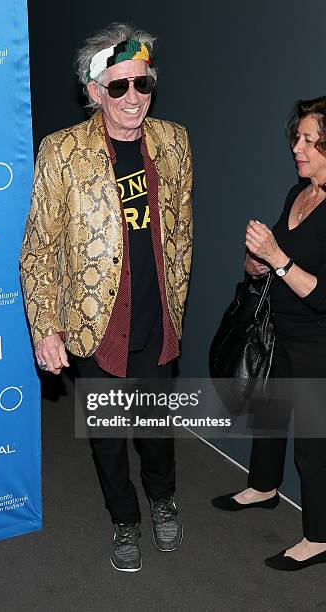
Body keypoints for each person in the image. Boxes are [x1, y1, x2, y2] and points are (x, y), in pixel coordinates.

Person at [20, 23, 193, 572]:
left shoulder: (174, 141)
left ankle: (163, 499)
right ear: (94, 91)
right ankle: (125, 521)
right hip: (97, 325)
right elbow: (39, 247)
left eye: (141, 85)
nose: (133, 99)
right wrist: (46, 326)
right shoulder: (62, 152)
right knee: (109, 439)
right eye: (117, 87)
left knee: (156, 433)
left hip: (158, 320)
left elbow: (181, 228)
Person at [212, 96, 326, 571]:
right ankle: (263, 487)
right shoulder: (297, 194)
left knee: (314, 446)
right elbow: (273, 264)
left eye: (309, 141)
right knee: (269, 416)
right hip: (280, 330)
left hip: (317, 345)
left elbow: (320, 294)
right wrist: (257, 264)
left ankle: (320, 538)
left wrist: (277, 258)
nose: (296, 148)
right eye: (296, 138)